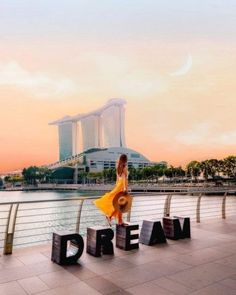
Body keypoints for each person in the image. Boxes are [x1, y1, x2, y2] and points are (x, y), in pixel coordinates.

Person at [94, 154, 128, 225]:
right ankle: (118, 220)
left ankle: (113, 218)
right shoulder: (125, 167)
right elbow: (124, 179)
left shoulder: (118, 168)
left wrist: (116, 187)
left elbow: (117, 179)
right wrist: (125, 188)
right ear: (125, 160)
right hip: (122, 187)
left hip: (118, 186)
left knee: (119, 205)